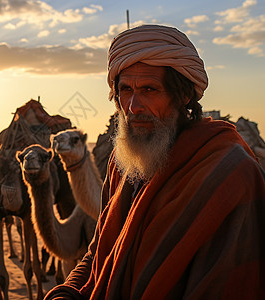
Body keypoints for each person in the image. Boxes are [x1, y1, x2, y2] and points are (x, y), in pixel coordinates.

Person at [45, 24, 265, 299]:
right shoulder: (123, 164)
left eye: (150, 89)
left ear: (183, 95)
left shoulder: (231, 174)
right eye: (126, 90)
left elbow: (232, 283)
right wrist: (68, 293)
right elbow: (100, 249)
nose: (133, 106)